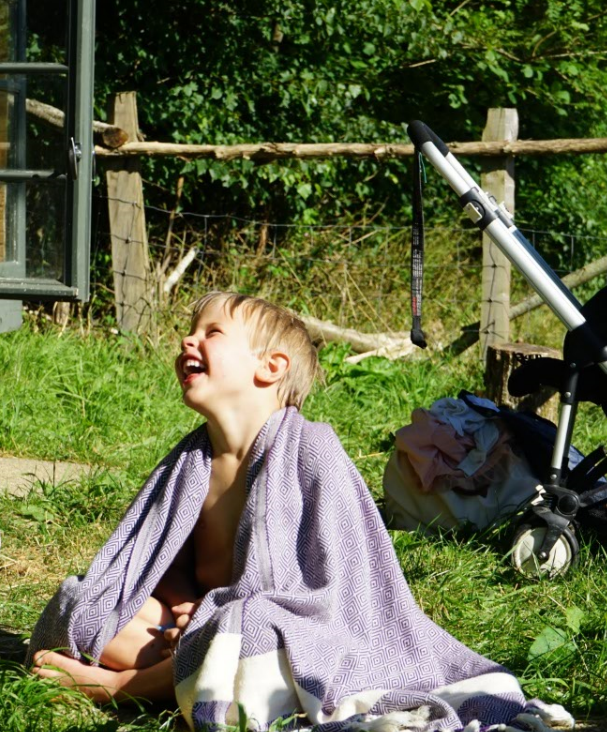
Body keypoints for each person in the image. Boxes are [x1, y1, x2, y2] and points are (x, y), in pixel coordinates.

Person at [28, 292, 564, 732]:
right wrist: (189, 610)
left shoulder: (312, 450)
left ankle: (121, 686)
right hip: (206, 622)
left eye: (212, 333)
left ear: (271, 367)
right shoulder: (190, 462)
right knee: (90, 606)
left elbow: (344, 591)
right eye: (190, 331)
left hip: (289, 630)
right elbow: (158, 561)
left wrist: (215, 623)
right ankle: (189, 671)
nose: (188, 340)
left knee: (246, 634)